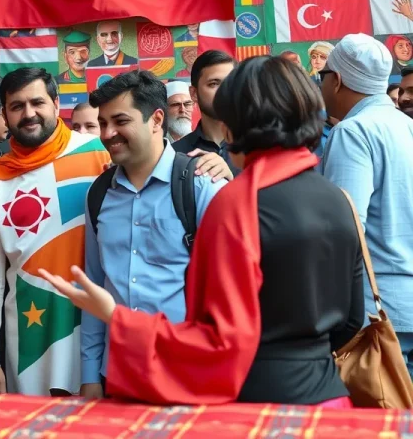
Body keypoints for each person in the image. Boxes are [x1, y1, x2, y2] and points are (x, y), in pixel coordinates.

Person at [42, 56, 364, 406]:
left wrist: (117, 318)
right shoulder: (338, 198)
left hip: (254, 403)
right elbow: (351, 319)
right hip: (329, 397)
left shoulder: (234, 203)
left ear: (234, 125)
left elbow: (219, 343)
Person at [80, 71, 225, 399]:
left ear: (157, 119)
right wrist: (89, 373)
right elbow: (94, 285)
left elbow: (227, 293)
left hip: (188, 373)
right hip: (117, 375)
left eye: (120, 121)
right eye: (102, 123)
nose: (108, 134)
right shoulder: (98, 194)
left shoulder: (201, 185)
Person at [0, 68, 111, 396]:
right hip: (30, 336)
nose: (29, 113)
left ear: (56, 104)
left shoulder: (99, 153)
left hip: (95, 326)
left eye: (37, 102)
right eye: (17, 106)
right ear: (4, 114)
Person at [321, 33, 413, 377]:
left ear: (336, 80)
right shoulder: (406, 125)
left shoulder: (353, 132)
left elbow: (345, 229)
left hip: (378, 314)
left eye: (322, 76)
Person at [173, 50, 238, 173]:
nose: (225, 91)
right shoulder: (176, 154)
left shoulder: (258, 148)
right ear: (194, 93)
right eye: (214, 84)